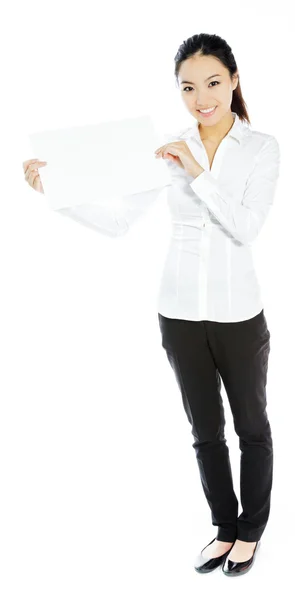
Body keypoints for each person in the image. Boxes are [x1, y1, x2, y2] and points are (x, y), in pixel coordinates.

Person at [23, 32, 280, 577]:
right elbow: (119, 221)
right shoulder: (170, 145)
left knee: (252, 427)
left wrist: (195, 170)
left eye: (212, 83)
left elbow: (246, 227)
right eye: (188, 87)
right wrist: (56, 191)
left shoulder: (262, 149)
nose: (200, 98)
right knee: (204, 430)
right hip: (179, 313)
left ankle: (251, 532)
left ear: (234, 81)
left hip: (239, 317)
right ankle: (224, 529)